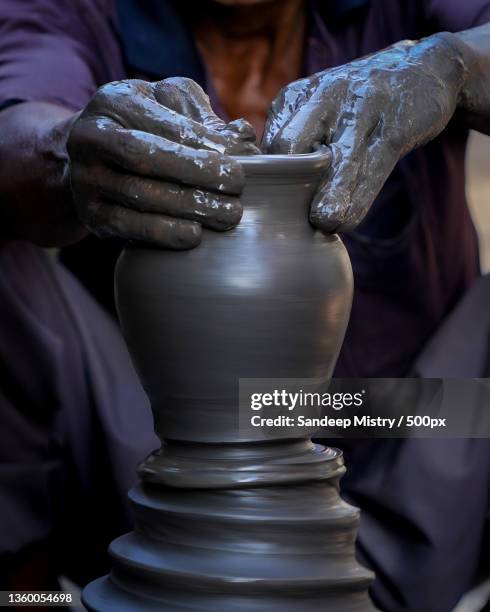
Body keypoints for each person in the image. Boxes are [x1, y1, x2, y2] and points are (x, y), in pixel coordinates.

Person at [0, 0, 489, 609]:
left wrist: (454, 66)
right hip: (158, 471)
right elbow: (13, 128)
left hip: (403, 429)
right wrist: (67, 153)